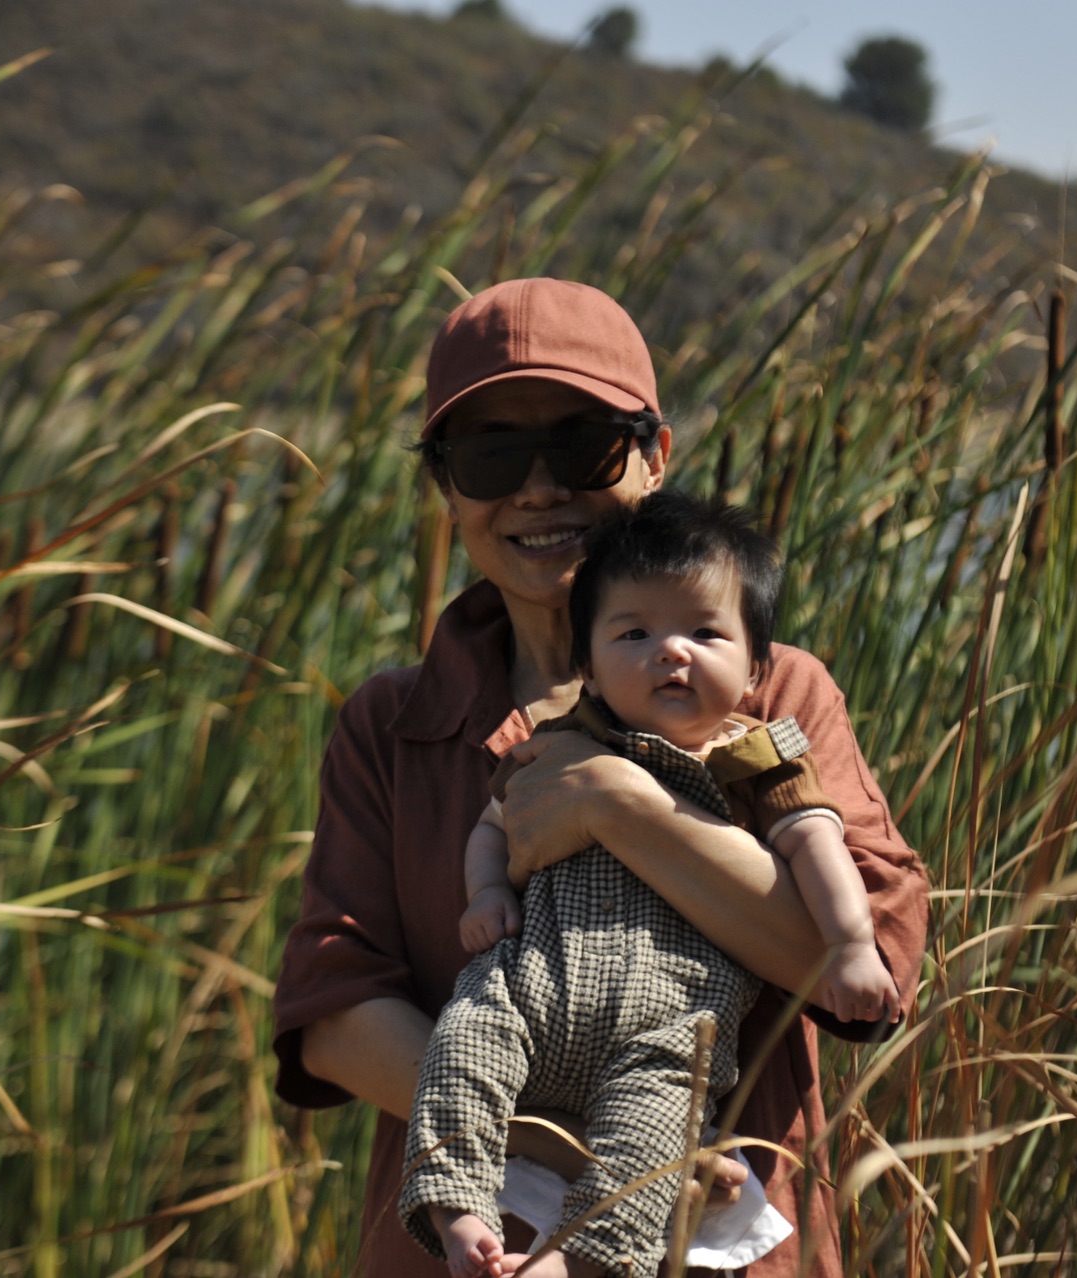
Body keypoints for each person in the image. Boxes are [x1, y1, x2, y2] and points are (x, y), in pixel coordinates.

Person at [271, 276, 929, 1277]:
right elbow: (332, 1015)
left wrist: (621, 805)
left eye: (582, 446)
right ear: (447, 490)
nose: (538, 490)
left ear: (653, 458)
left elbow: (863, 975)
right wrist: (579, 1155)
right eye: (491, 455)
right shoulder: (394, 724)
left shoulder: (776, 692)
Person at [401, 490, 904, 1278]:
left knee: (658, 1134)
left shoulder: (761, 759)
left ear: (753, 670)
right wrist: (487, 894)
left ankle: (570, 1262)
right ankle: (460, 1209)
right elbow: (491, 828)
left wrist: (847, 944)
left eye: (705, 633)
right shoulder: (554, 741)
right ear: (590, 671)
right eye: (633, 634)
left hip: (673, 1022)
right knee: (460, 1048)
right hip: (532, 983)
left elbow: (819, 846)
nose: (671, 652)